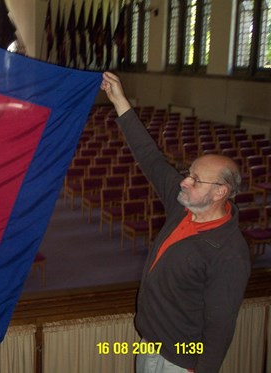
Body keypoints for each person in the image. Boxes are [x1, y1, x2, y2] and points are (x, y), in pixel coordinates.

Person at [100, 71, 251, 373]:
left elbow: (220, 327)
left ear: (221, 191)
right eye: (188, 173)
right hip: (150, 345)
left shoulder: (228, 253)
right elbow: (151, 157)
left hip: (179, 362)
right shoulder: (183, 206)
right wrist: (120, 101)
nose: (184, 182)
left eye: (196, 179)